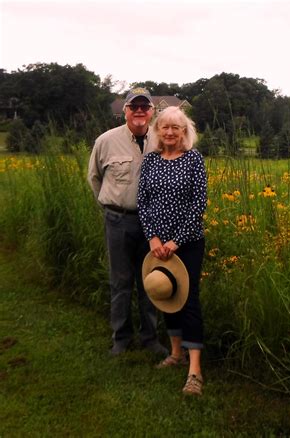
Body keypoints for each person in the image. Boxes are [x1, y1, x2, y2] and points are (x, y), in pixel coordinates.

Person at [87, 87, 168, 357]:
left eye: (145, 107)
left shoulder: (163, 141)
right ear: (125, 110)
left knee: (151, 282)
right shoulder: (106, 141)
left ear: (152, 111)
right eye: (134, 107)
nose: (140, 111)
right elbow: (94, 178)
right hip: (118, 221)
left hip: (152, 227)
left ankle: (150, 338)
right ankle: (120, 338)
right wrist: (111, 206)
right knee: (120, 283)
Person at [137, 106, 207, 396]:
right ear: (157, 131)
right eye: (163, 127)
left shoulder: (193, 160)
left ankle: (195, 370)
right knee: (165, 295)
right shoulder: (151, 161)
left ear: (184, 131)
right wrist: (153, 239)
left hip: (186, 244)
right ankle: (175, 353)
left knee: (188, 300)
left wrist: (175, 242)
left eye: (175, 127)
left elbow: (198, 204)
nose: (169, 132)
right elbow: (143, 201)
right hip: (157, 245)